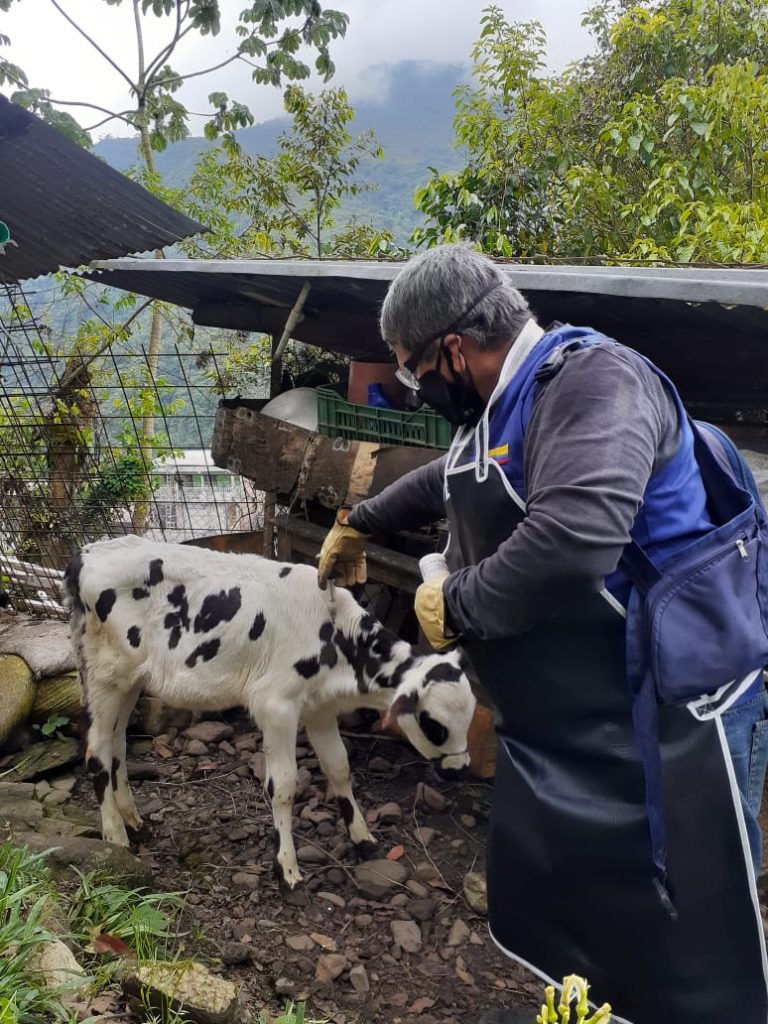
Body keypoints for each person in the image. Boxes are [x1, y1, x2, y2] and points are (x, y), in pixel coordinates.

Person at [317, 244, 768, 1024]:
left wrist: (456, 605)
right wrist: (360, 521)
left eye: (416, 370)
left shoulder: (596, 382)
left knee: (691, 909)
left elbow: (575, 539)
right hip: (602, 699)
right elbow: (452, 476)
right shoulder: (509, 402)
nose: (418, 389)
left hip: (687, 700)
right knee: (604, 895)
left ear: (453, 350)